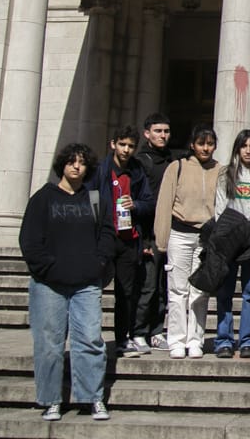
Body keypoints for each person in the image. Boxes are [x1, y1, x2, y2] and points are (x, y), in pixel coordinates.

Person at [19, 143, 115, 422]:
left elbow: (107, 234)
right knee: (49, 343)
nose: (76, 166)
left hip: (86, 283)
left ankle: (92, 397)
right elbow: (29, 240)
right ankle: (51, 400)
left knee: (89, 340)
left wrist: (98, 263)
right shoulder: (43, 198)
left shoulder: (95, 199)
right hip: (48, 284)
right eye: (71, 161)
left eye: (82, 163)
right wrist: (48, 268)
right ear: (62, 164)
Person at [153, 125, 222, 359]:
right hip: (180, 234)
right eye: (201, 143)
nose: (206, 148)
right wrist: (161, 239)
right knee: (177, 290)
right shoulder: (177, 167)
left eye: (210, 143)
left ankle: (195, 340)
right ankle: (176, 339)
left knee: (200, 291)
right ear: (192, 145)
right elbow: (164, 203)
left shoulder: (220, 171)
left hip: (205, 237)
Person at [90, 126, 154, 357]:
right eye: (122, 144)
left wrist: (135, 205)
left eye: (130, 146)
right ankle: (90, 338)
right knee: (93, 291)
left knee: (126, 293)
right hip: (105, 238)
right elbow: (90, 198)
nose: (126, 150)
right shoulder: (100, 171)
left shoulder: (137, 172)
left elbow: (149, 203)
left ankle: (122, 339)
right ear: (113, 144)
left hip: (129, 239)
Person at [214, 129, 250, 358]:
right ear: (237, 149)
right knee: (225, 292)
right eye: (244, 146)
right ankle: (224, 340)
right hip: (229, 241)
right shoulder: (225, 174)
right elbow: (220, 207)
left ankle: (248, 340)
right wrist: (227, 235)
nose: (248, 151)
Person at [130, 112, 184, 352]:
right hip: (147, 232)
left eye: (166, 131)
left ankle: (156, 330)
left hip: (170, 231)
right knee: (148, 285)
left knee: (163, 285)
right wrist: (142, 239)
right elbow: (137, 200)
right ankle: (138, 331)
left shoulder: (173, 161)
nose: (163, 135)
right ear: (147, 134)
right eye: (158, 131)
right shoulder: (141, 162)